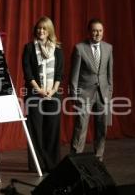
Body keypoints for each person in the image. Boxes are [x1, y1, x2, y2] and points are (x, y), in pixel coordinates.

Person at [22, 16, 64, 173]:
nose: (41, 31)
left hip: (53, 95)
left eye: (44, 28)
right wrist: (39, 90)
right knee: (36, 131)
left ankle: (52, 164)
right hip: (34, 94)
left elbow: (59, 74)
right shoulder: (29, 48)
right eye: (39, 28)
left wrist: (52, 91)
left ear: (49, 31)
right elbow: (27, 73)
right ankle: (37, 165)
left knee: (52, 130)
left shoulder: (58, 50)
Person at [69, 18, 113, 161]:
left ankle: (98, 158)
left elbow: (109, 73)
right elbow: (73, 75)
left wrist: (110, 92)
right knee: (80, 128)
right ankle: (76, 159)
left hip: (103, 94)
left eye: (100, 31)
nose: (97, 34)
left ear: (103, 32)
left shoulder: (108, 48)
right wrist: (74, 96)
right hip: (84, 94)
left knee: (102, 129)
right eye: (94, 30)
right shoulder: (79, 48)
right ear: (89, 32)